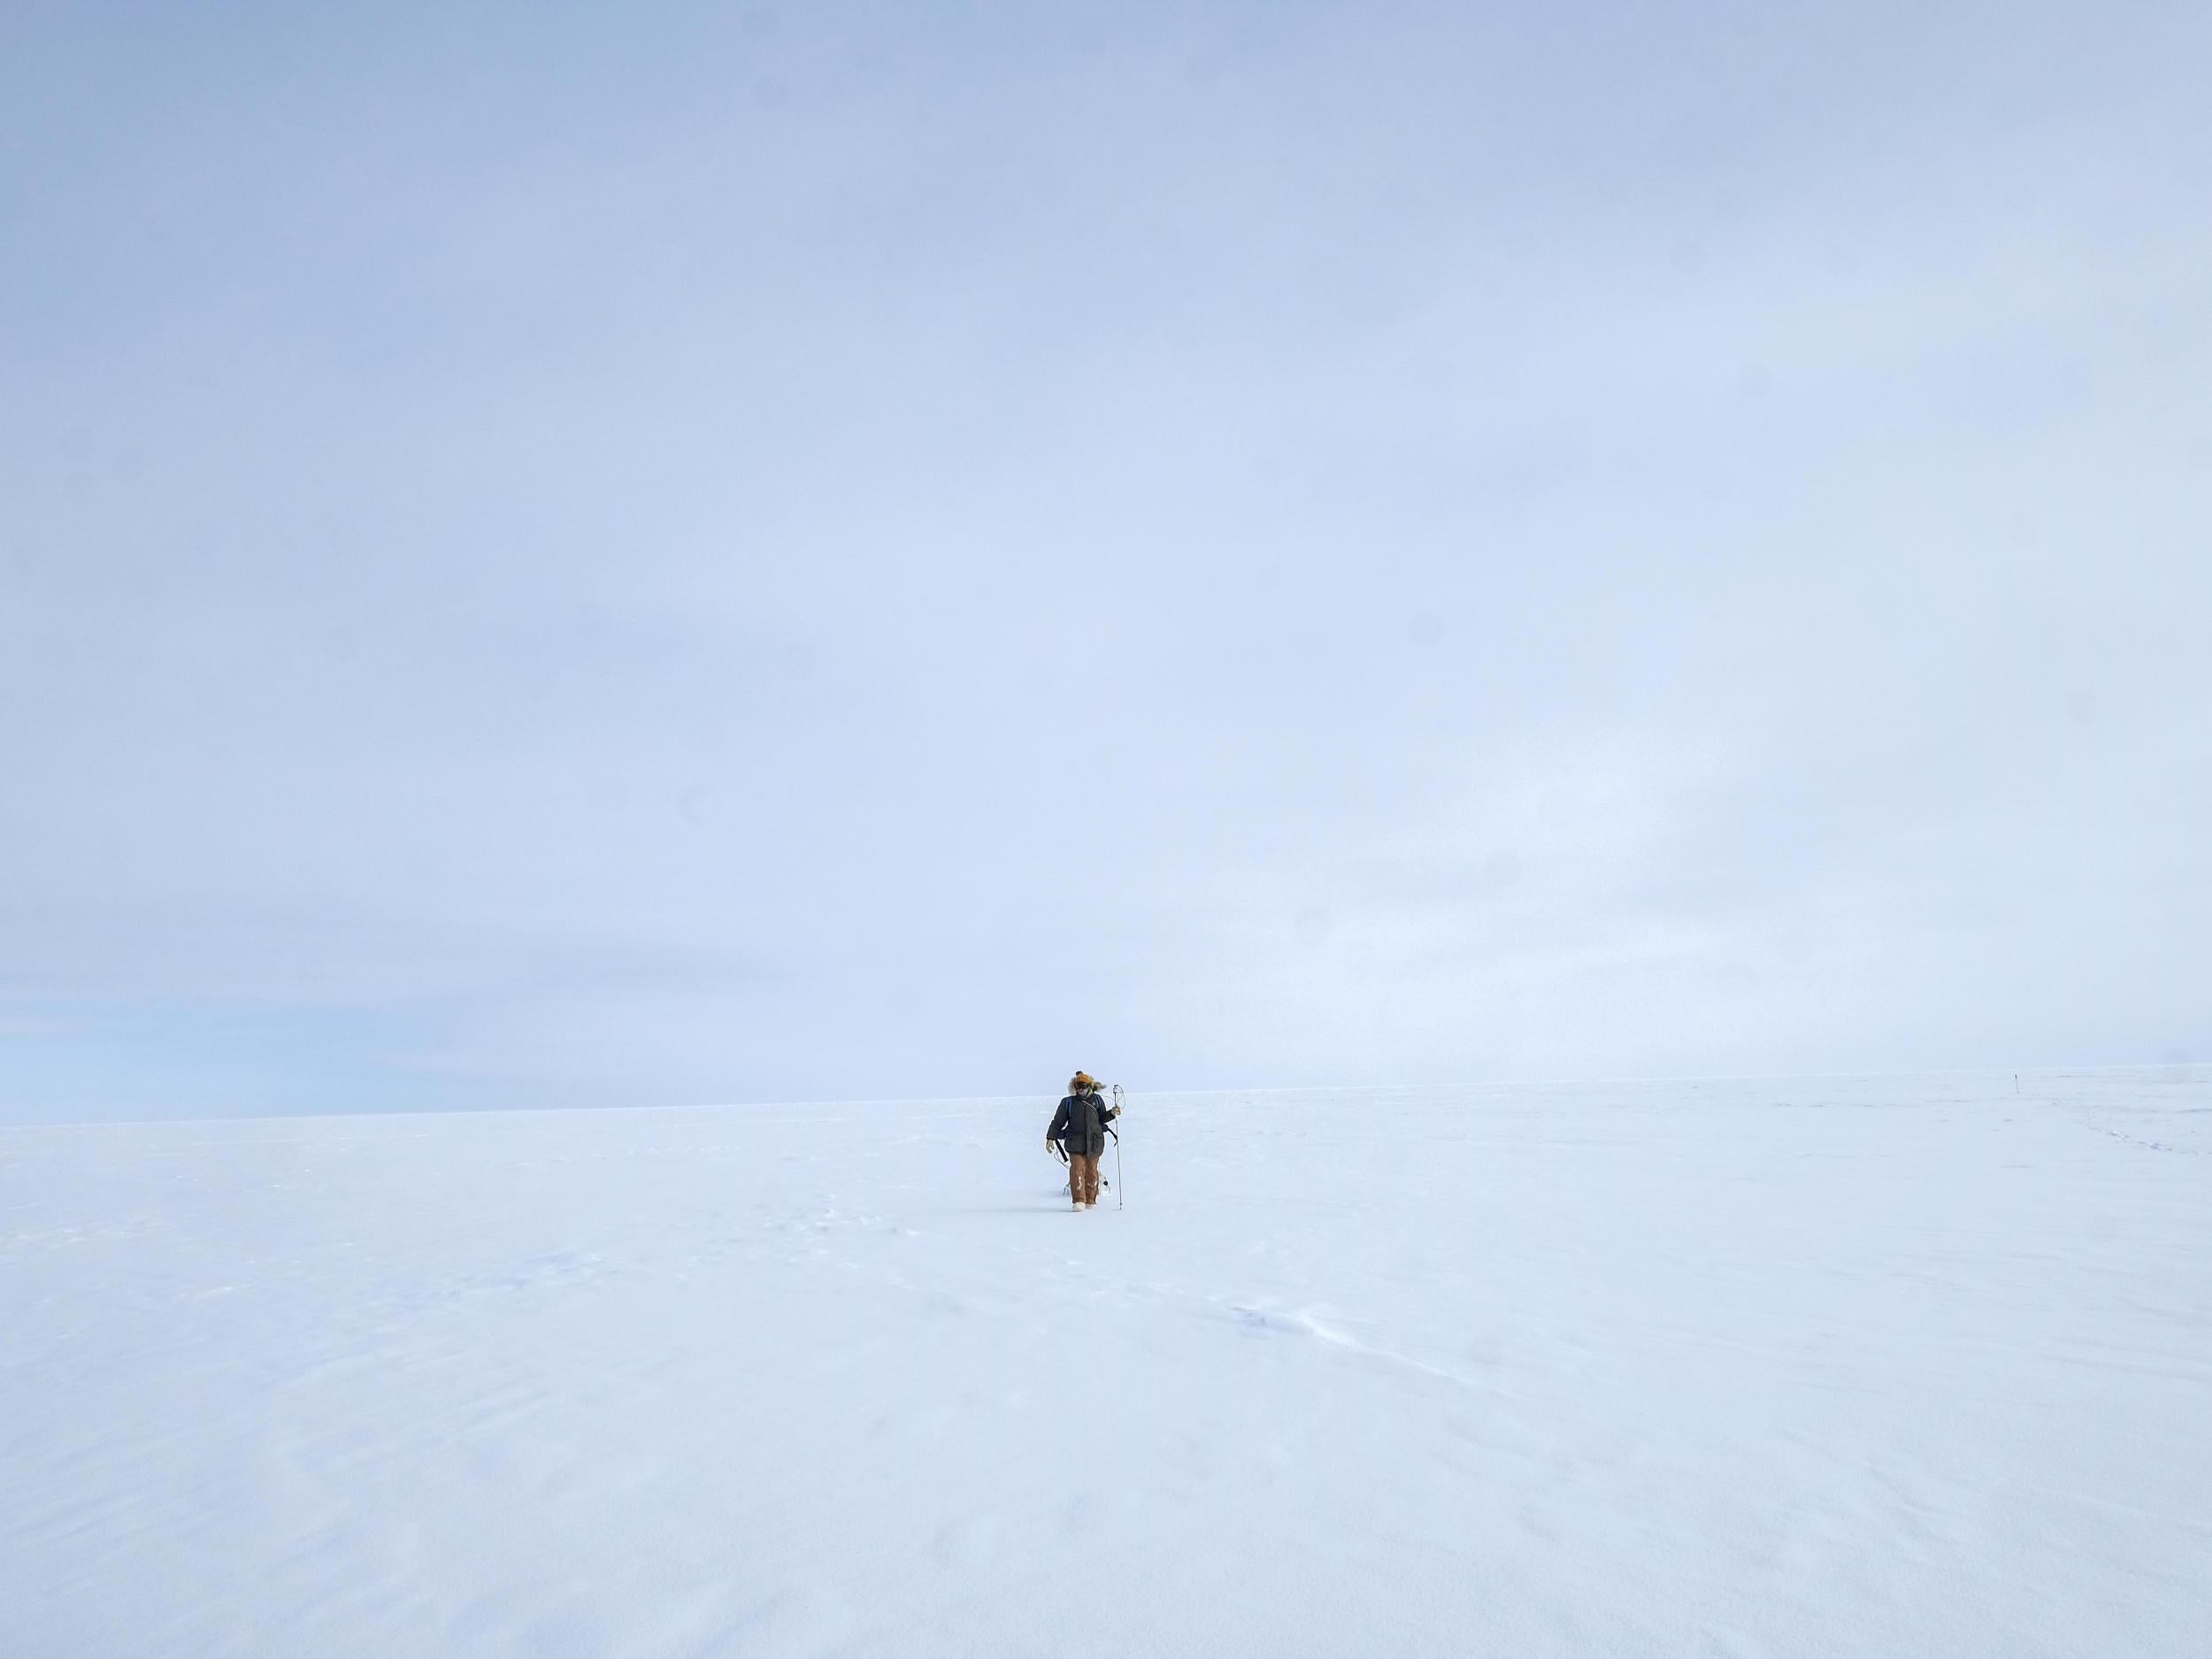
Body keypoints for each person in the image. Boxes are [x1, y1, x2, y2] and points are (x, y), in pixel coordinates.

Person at [1047, 1071, 1118, 1210]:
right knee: (1077, 1170)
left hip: (1095, 1143)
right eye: (1077, 1086)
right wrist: (1050, 1137)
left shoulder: (1097, 1100)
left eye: (1083, 1086)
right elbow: (1058, 1122)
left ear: (1089, 1086)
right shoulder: (1068, 1102)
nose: (1080, 1089)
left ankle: (1090, 1201)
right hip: (1075, 1143)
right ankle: (1079, 1201)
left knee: (1092, 1171)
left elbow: (1101, 1118)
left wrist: (1111, 1113)